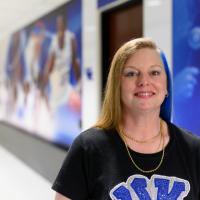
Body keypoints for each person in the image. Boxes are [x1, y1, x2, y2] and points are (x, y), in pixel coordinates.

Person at [52, 38, 200, 199]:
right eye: (131, 73)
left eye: (154, 72)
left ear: (166, 86)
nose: (144, 81)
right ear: (117, 86)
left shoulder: (193, 150)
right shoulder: (88, 148)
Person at [42, 14, 81, 112]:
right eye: (58, 24)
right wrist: (44, 82)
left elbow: (74, 60)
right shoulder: (54, 39)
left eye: (62, 23)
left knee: (64, 100)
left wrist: (79, 82)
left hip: (65, 76)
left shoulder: (70, 37)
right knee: (55, 101)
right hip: (55, 75)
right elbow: (50, 63)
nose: (60, 25)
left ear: (65, 24)